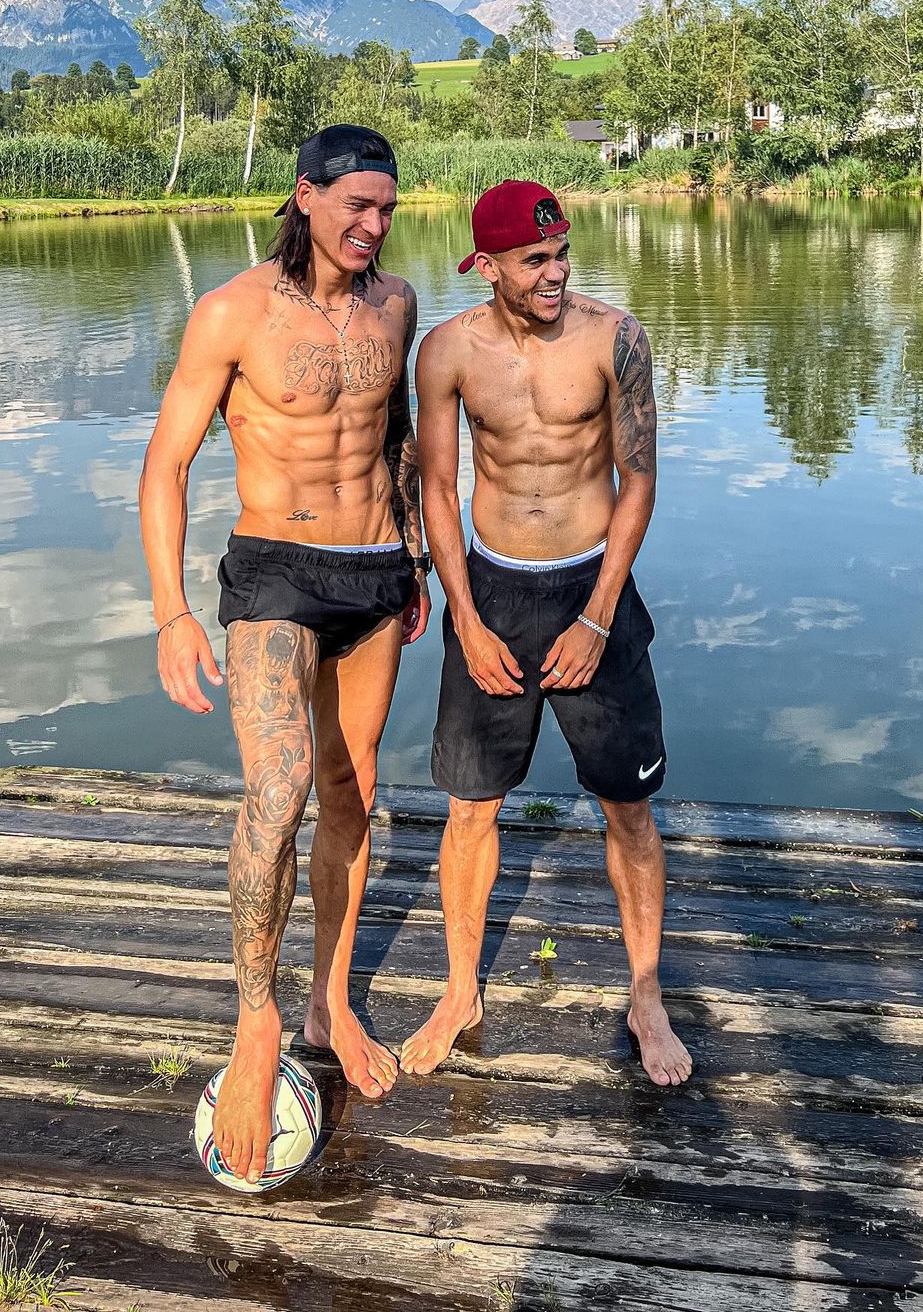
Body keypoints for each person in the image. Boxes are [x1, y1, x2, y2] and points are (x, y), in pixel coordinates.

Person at [138, 125, 430, 1186]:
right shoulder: (232, 314)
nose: (373, 225)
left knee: (351, 790)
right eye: (356, 204)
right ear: (304, 196)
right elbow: (166, 465)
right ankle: (256, 1024)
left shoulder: (397, 305)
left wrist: (417, 561)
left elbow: (393, 432)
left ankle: (328, 998)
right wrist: (173, 612)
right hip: (274, 572)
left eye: (388, 208)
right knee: (280, 790)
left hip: (374, 576)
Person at [402, 179, 691, 1087]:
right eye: (534, 261)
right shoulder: (447, 352)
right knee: (470, 807)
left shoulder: (616, 339)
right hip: (495, 591)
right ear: (485, 266)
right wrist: (466, 615)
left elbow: (637, 482)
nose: (555, 274)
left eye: (561, 254)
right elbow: (437, 489)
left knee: (628, 807)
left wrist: (600, 615)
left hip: (591, 590)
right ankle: (459, 990)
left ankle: (646, 995)